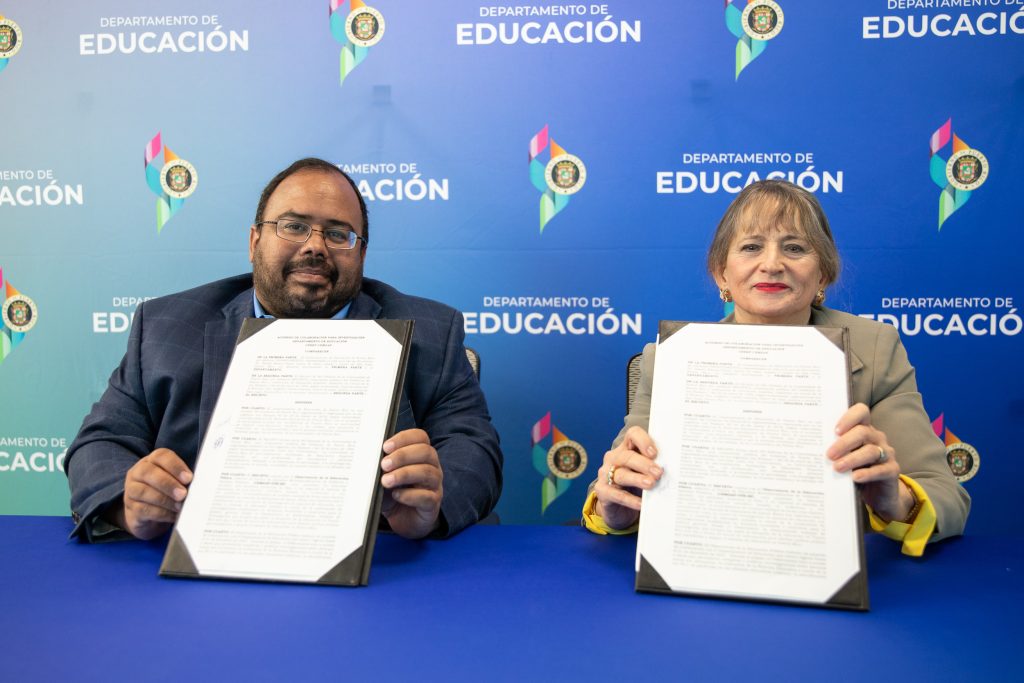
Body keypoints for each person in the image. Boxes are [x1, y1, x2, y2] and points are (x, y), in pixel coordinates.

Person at [65, 158, 502, 542]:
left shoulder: (432, 332)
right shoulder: (165, 327)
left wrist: (427, 510)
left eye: (338, 233)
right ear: (255, 241)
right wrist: (130, 502)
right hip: (201, 569)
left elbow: (474, 450)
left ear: (362, 254)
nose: (315, 246)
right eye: (293, 226)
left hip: (376, 570)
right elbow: (99, 443)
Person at [582, 180, 969, 556]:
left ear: (823, 273)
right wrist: (614, 506)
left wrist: (894, 498)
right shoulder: (668, 357)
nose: (771, 264)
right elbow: (612, 492)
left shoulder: (876, 347)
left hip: (830, 579)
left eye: (795, 248)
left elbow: (946, 497)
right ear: (721, 273)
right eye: (751, 247)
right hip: (701, 564)